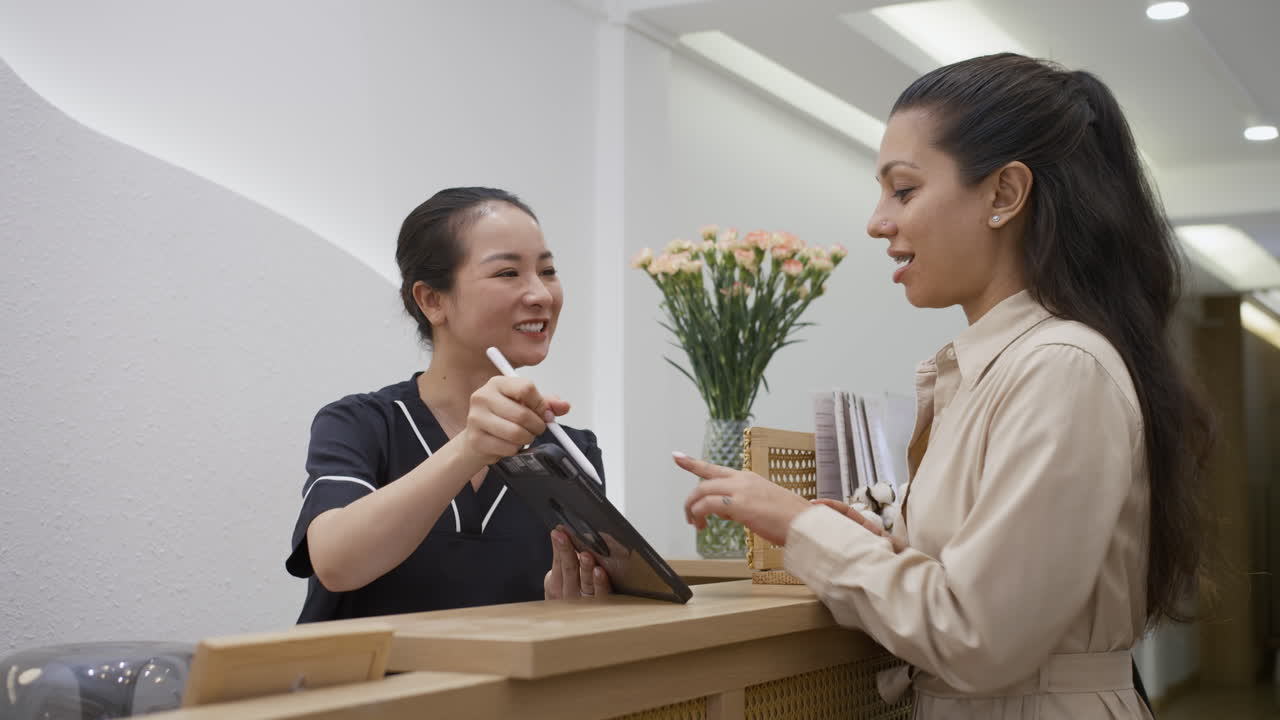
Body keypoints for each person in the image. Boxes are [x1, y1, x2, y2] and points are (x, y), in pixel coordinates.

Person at [678, 54, 1213, 719]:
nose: (878, 221)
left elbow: (977, 634)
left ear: (1004, 195)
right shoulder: (1000, 368)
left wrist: (802, 522)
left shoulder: (1060, 367)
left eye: (903, 190)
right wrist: (874, 537)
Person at [286, 187, 611, 623]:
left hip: (509, 688)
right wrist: (471, 449)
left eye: (547, 270)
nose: (541, 295)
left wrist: (571, 611)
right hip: (367, 689)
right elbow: (336, 563)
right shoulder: (362, 423)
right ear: (432, 300)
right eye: (508, 273)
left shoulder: (572, 452)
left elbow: (576, 615)